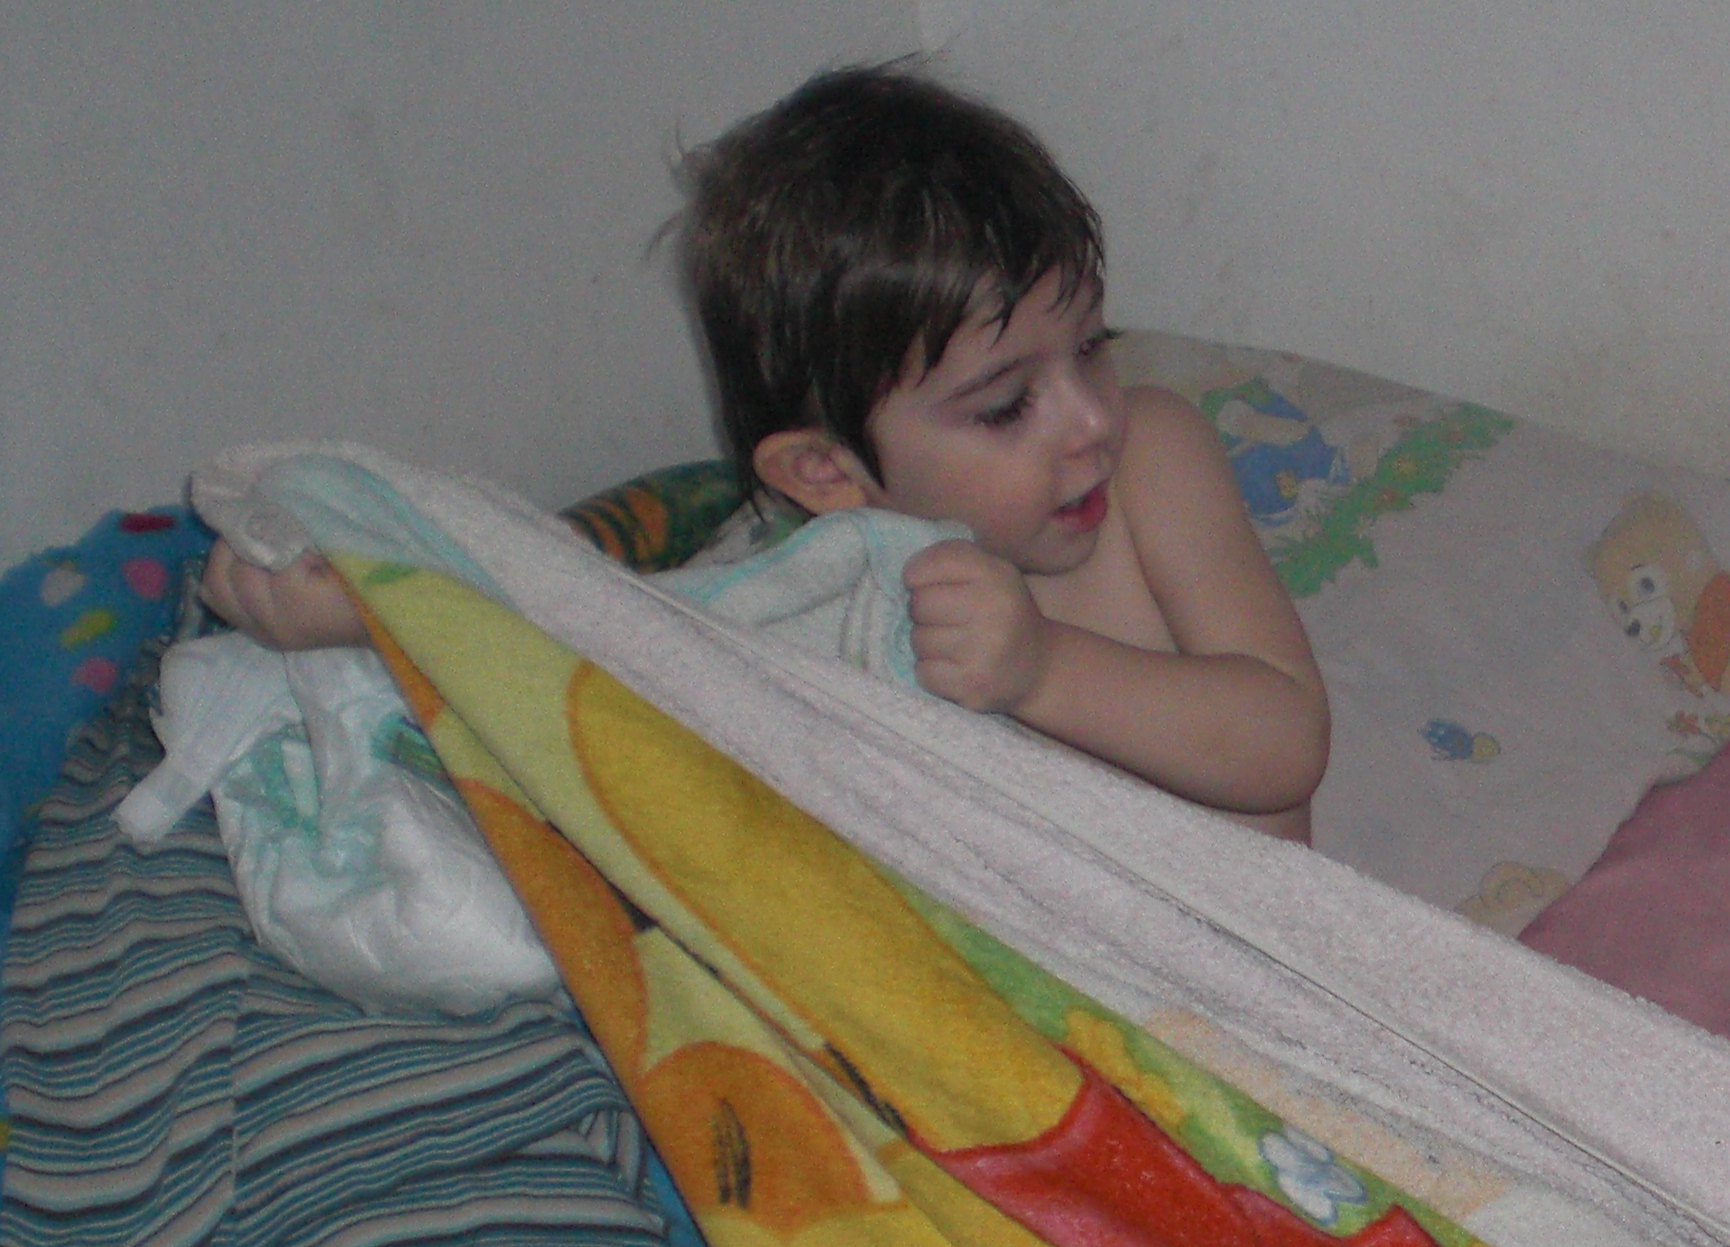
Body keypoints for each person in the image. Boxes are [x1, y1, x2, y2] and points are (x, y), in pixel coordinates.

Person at [204, 60, 1329, 841]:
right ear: (829, 476)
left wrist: (1042, 670)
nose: (1088, 419)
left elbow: (1285, 744)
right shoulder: (821, 593)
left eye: (1092, 347)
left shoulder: (1152, 462)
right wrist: (374, 605)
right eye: (1005, 407)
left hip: (1257, 986)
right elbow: (609, 645)